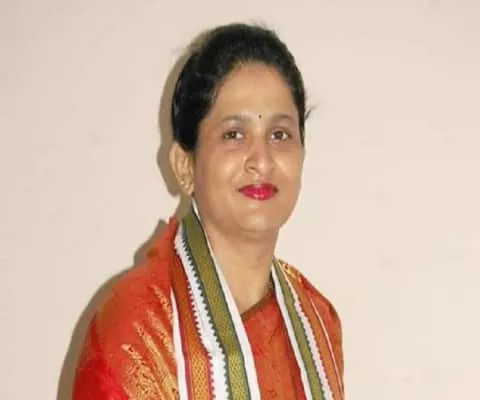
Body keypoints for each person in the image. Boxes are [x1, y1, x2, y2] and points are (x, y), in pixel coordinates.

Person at [73, 22, 344, 400]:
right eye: (234, 134)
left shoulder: (317, 322)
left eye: (280, 135)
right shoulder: (137, 329)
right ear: (185, 166)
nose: (262, 160)